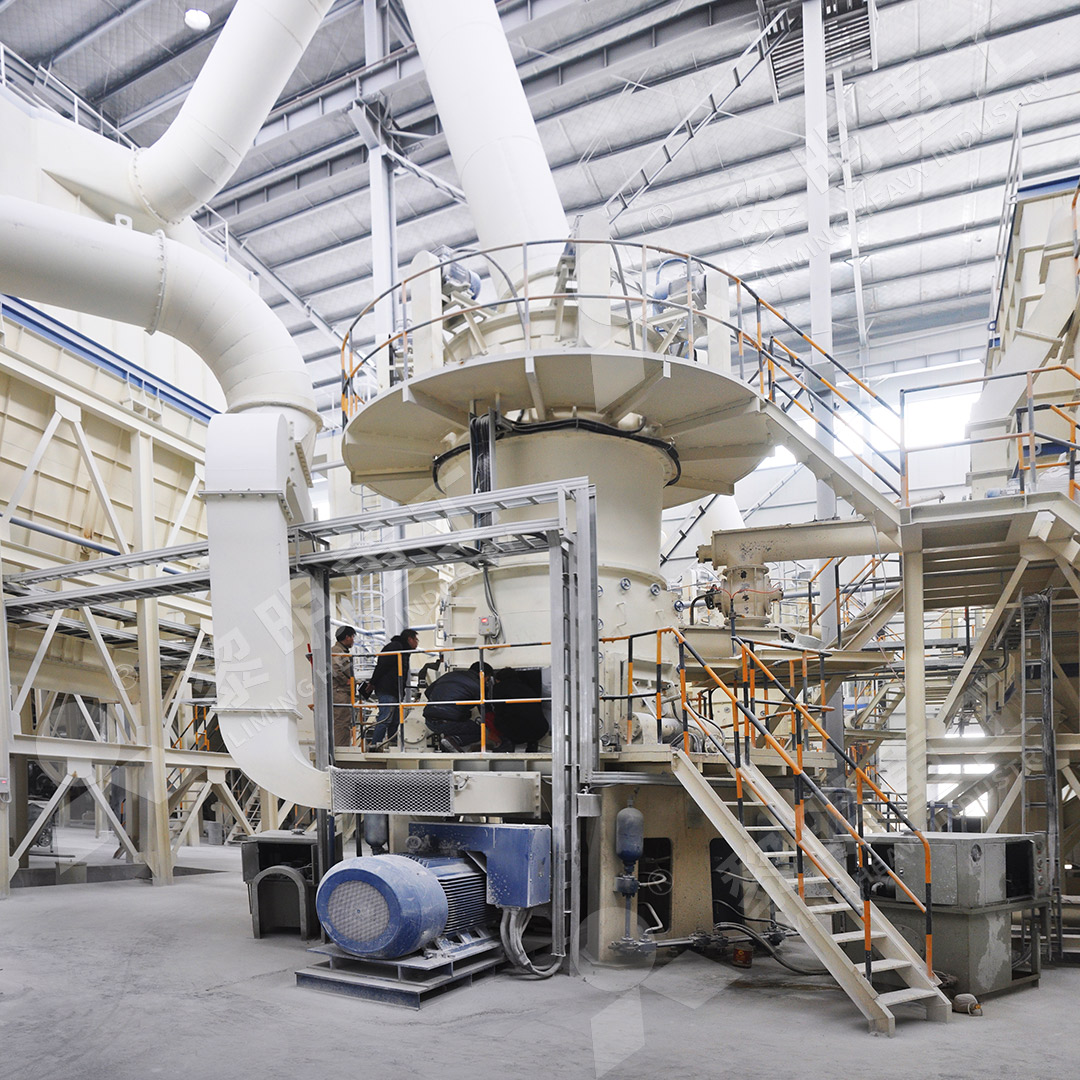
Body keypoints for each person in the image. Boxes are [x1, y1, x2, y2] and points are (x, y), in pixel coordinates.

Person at [423, 662, 494, 752]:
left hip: (429, 721)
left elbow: (428, 692)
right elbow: (485, 711)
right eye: (487, 679)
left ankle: (447, 743)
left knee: (460, 719)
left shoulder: (449, 675)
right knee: (480, 732)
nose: (486, 681)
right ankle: (453, 740)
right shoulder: (479, 686)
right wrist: (493, 730)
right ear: (483, 675)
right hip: (449, 723)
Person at [368, 627, 420, 747]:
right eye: (416, 639)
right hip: (388, 690)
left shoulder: (403, 650)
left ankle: (391, 745)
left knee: (395, 720)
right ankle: (375, 745)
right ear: (409, 639)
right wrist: (373, 682)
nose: (417, 642)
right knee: (385, 719)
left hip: (395, 691)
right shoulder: (395, 647)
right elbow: (382, 666)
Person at [492, 667, 549, 751]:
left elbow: (498, 708)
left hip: (517, 732)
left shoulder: (499, 687)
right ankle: (532, 744)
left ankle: (507, 744)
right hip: (540, 729)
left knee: (497, 718)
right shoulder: (526, 687)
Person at [332, 625, 357, 746]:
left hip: (343, 693)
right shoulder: (336, 651)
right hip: (339, 692)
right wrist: (345, 681)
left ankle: (343, 747)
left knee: (344, 722)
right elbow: (334, 669)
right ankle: (340, 749)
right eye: (352, 637)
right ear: (347, 637)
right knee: (341, 723)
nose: (353, 640)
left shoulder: (342, 652)